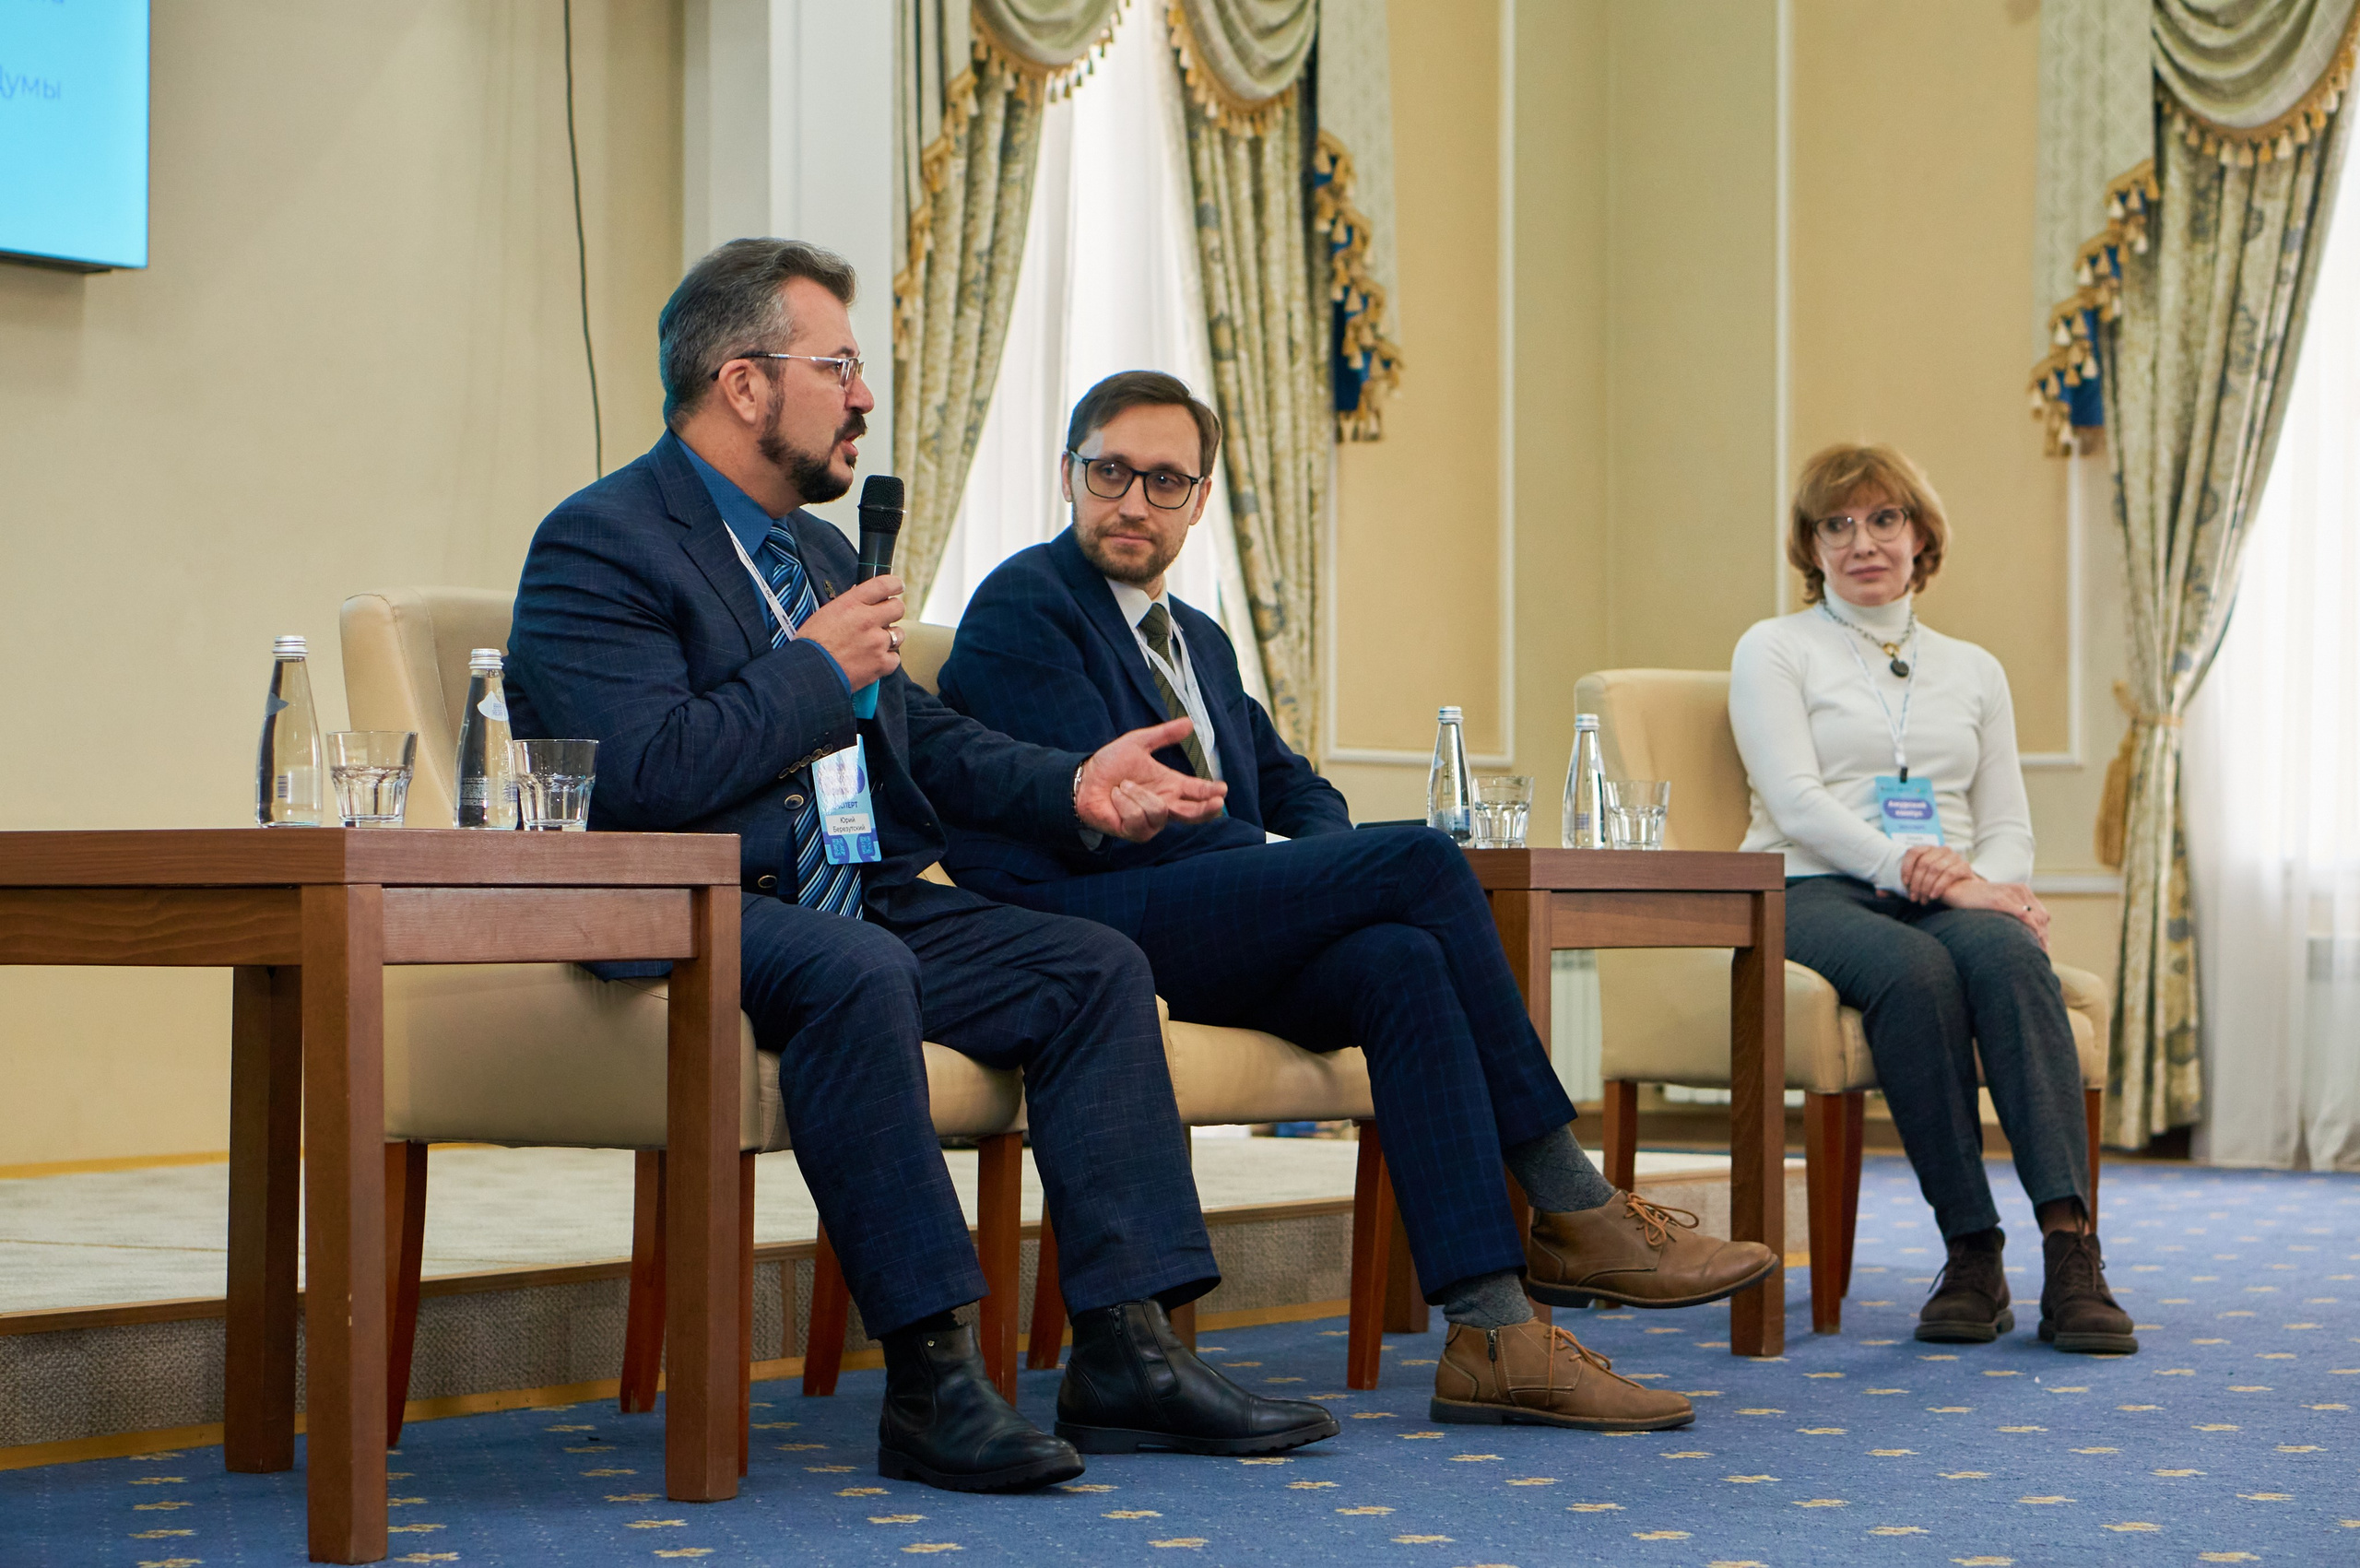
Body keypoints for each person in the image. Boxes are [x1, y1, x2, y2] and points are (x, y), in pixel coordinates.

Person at [504, 242, 1346, 1494]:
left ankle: (1127, 1346)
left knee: (1092, 966)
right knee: (855, 971)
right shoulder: (603, 543)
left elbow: (924, 742)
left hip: (857, 890)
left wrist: (1075, 784)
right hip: (694, 901)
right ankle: (934, 1375)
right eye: (838, 366)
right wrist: (810, 672)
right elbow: (641, 776)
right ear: (744, 384)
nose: (863, 396)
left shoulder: (819, 560)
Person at [936, 371, 1777, 1432]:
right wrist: (1328, 878)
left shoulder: (1196, 637)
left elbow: (1294, 786)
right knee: (1421, 865)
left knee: (1401, 959)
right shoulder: (1027, 604)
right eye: (1109, 472)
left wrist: (1326, 879)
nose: (1131, 502)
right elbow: (1123, 819)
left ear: (1201, 500)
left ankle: (1493, 1334)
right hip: (1083, 922)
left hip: (1196, 915)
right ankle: (1572, 1201)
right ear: (1068, 475)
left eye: (1162, 481)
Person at [1728, 442, 2134, 1356]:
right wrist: (1927, 871)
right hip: (1807, 882)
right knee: (1914, 974)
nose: (1861, 541)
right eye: (1836, 524)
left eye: (1883, 519)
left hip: (1950, 885)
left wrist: (1994, 890)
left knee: (2009, 957)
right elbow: (1795, 802)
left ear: (1919, 535)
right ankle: (1970, 1251)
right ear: (1810, 543)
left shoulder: (1972, 669)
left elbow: (2005, 820)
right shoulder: (1774, 649)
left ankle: (2071, 1249)